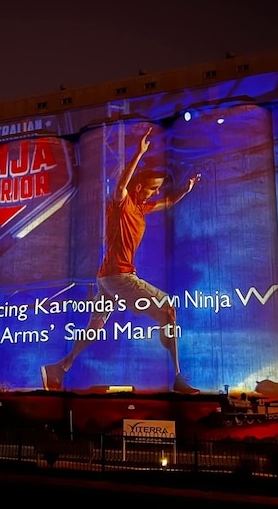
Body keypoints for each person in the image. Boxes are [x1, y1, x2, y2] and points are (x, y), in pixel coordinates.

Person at [41, 125, 201, 395]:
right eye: (151, 189)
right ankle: (177, 378)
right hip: (119, 276)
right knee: (169, 310)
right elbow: (122, 184)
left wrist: (185, 190)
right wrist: (138, 154)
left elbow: (169, 202)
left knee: (96, 326)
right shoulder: (122, 203)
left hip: (105, 278)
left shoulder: (142, 207)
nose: (154, 193)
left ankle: (59, 367)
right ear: (139, 187)